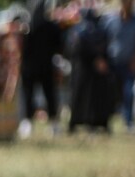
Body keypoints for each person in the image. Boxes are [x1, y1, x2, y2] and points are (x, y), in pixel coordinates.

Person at [67, 1, 116, 132]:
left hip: (84, 70)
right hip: (90, 70)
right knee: (88, 98)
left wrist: (97, 60)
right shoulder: (95, 30)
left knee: (84, 97)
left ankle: (84, 122)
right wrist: (99, 60)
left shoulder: (78, 30)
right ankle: (93, 122)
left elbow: (74, 49)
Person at [18, 0, 62, 138]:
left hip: (35, 67)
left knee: (38, 95)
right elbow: (59, 45)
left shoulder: (25, 27)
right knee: (39, 95)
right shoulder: (49, 26)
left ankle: (47, 123)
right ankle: (43, 123)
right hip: (41, 66)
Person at [104, 0, 135, 132]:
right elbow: (103, 39)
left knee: (128, 93)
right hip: (112, 63)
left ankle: (129, 122)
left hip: (129, 64)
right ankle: (106, 123)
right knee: (110, 94)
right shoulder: (110, 21)